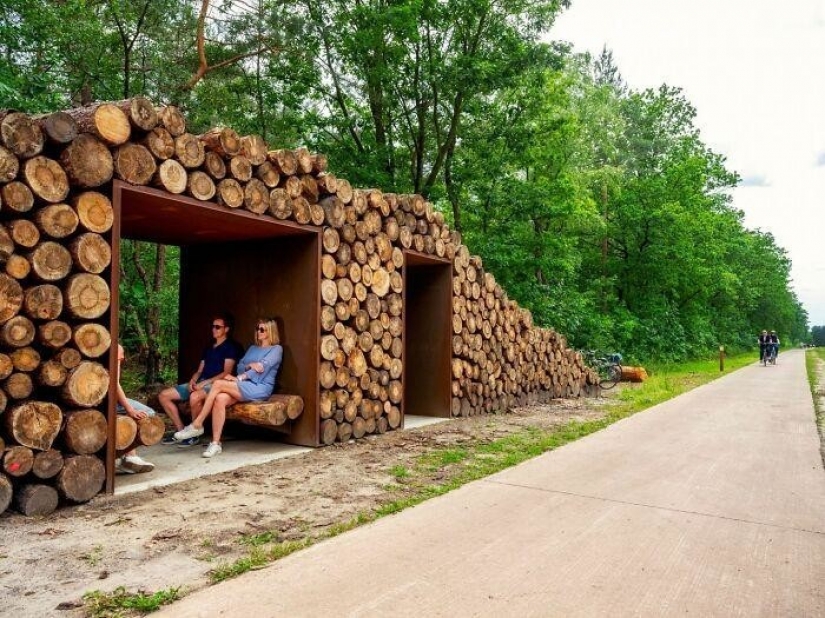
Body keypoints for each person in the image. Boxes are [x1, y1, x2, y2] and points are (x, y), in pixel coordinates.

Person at [174, 318, 283, 458]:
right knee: (220, 399)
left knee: (218, 384)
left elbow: (262, 367)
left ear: (271, 331)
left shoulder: (276, 349)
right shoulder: (252, 348)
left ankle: (197, 424)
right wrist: (250, 366)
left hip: (260, 388)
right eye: (257, 328)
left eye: (262, 329)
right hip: (245, 385)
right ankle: (215, 443)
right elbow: (240, 366)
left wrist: (240, 377)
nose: (258, 332)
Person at [158, 313, 243, 447]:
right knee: (164, 395)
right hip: (200, 381)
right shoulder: (209, 346)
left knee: (195, 397)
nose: (214, 329)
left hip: (215, 384)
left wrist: (205, 382)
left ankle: (195, 434)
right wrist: (193, 380)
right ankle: (182, 431)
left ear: (226, 329)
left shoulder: (231, 347)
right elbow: (199, 370)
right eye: (213, 326)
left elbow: (226, 372)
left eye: (217, 327)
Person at [116, 344, 156, 474]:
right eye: (121, 357)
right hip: (110, 401)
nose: (123, 358)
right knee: (149, 413)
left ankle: (130, 456)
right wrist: (129, 409)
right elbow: (114, 384)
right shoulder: (116, 347)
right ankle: (127, 457)